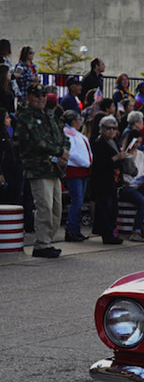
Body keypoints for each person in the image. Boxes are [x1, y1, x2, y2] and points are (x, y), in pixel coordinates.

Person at [14, 84, 70, 257]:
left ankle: (47, 241)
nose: (41, 99)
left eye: (44, 96)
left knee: (56, 209)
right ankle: (41, 244)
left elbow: (62, 136)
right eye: (37, 96)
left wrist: (64, 151)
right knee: (44, 206)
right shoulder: (26, 116)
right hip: (38, 168)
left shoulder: (50, 115)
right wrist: (59, 152)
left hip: (54, 168)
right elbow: (37, 142)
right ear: (29, 97)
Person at [90, 115, 125, 245]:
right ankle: (107, 235)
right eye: (108, 128)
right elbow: (99, 163)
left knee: (112, 209)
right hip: (103, 181)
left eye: (114, 128)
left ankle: (111, 232)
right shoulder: (99, 143)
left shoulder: (113, 141)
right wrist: (115, 158)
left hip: (113, 179)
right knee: (105, 208)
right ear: (102, 129)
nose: (111, 131)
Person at [119, 131, 144, 242]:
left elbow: (141, 172)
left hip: (138, 184)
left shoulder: (141, 154)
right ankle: (135, 231)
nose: (137, 145)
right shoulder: (124, 154)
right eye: (135, 142)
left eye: (139, 142)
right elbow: (123, 173)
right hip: (127, 186)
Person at [61, 110, 91, 242]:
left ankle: (76, 230)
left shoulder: (77, 134)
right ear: (74, 121)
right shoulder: (67, 133)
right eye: (79, 120)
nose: (81, 123)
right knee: (77, 201)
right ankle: (71, 230)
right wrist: (85, 162)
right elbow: (71, 152)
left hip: (83, 170)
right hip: (75, 170)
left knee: (80, 201)